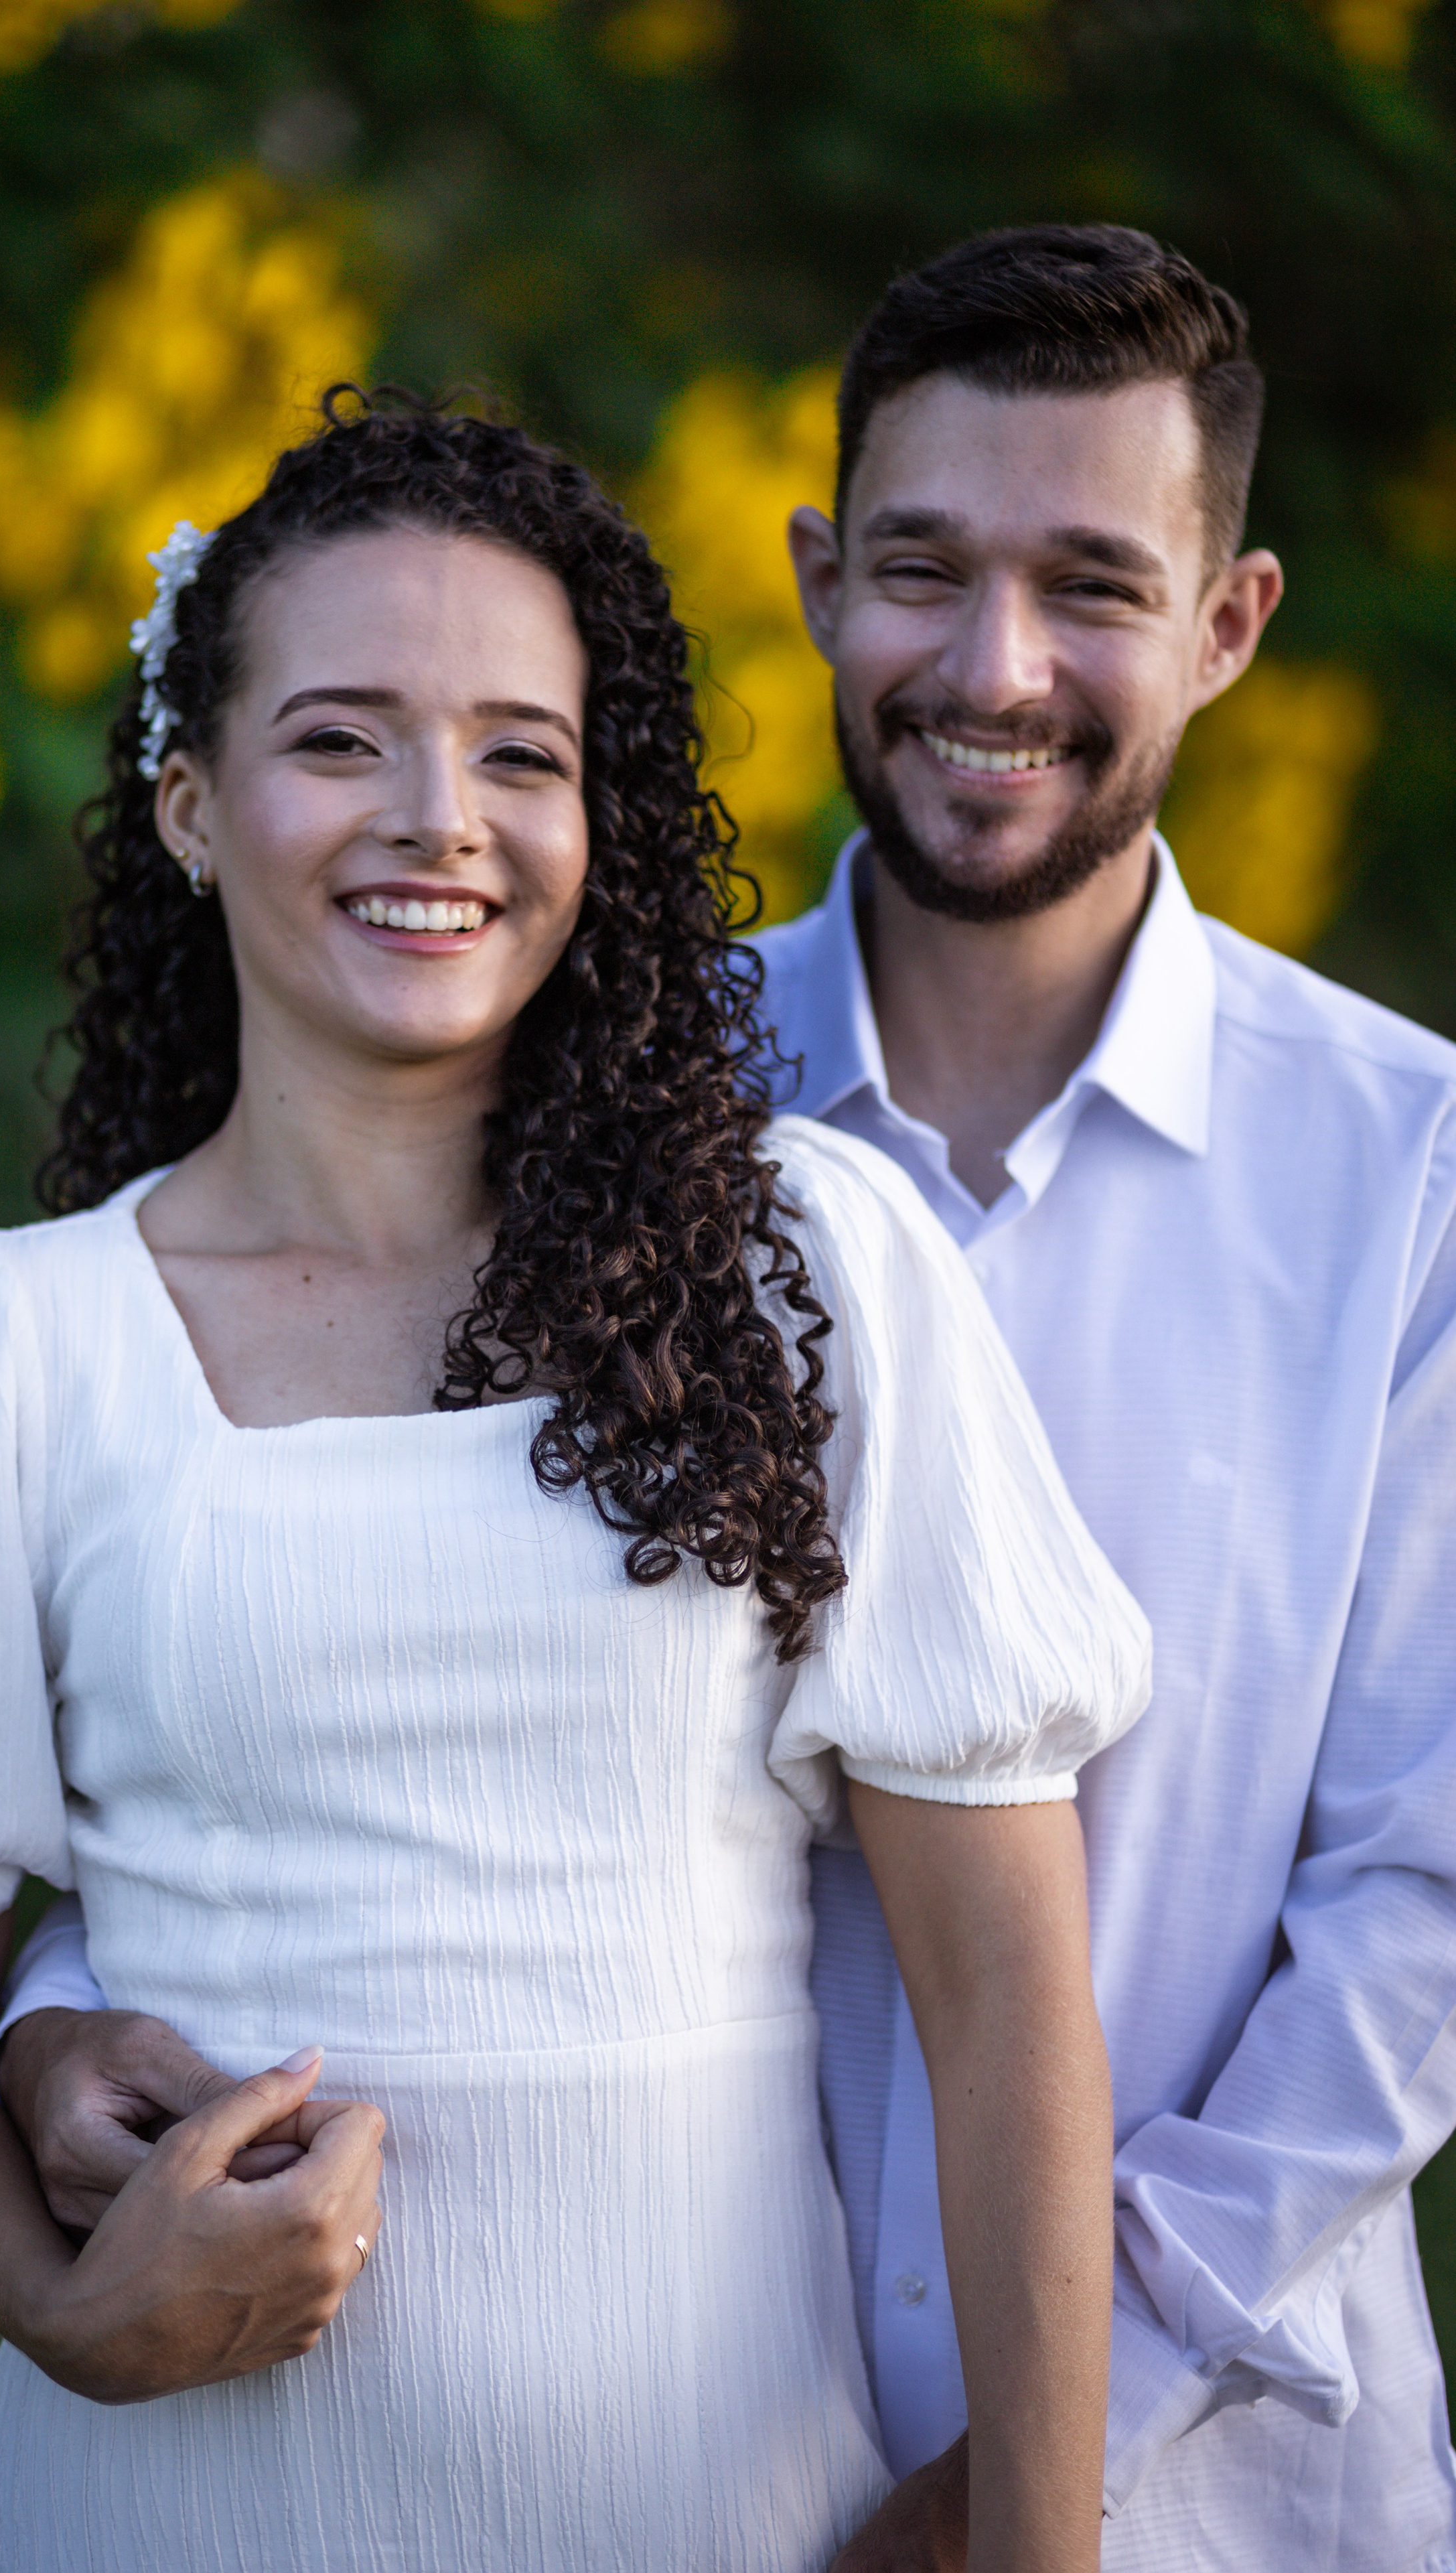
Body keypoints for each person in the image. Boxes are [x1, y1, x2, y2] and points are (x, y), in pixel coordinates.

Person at [0, 394, 1151, 2573]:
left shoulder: (801, 1275)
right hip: (164, 2516)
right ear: (191, 801)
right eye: (341, 739)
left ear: (598, 818)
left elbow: (1009, 2015)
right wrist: (68, 2316)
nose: (439, 818)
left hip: (713, 2515)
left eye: (520, 752)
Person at [769, 226, 1456, 2570]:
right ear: (818, 581)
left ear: (1230, 624)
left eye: (1091, 586)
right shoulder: (603, 1114)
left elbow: (1420, 1907)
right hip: (660, 2454)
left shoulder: (1409, 1171)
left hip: (1229, 2505)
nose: (996, 668)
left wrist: (1055, 2434)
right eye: (923, 570)